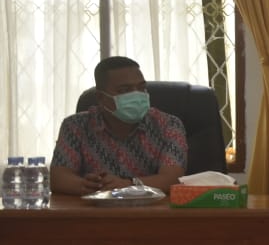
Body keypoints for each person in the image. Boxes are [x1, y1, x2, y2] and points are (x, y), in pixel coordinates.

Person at [50, 56, 188, 195]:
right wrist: (87, 185)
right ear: (101, 97)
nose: (136, 95)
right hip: (93, 207)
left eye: (141, 88)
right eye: (124, 90)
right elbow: (58, 178)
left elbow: (172, 179)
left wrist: (128, 185)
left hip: (151, 207)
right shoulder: (75, 126)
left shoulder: (168, 125)